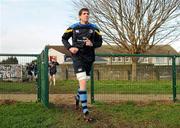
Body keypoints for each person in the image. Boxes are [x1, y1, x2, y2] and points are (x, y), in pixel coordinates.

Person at [62, 8, 102, 122]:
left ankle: (77, 97)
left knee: (83, 83)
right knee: (83, 82)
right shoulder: (73, 27)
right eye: (84, 14)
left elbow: (100, 42)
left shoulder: (94, 28)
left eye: (88, 14)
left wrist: (92, 43)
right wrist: (70, 48)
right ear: (80, 16)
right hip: (77, 57)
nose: (86, 15)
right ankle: (85, 111)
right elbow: (64, 38)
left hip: (89, 58)